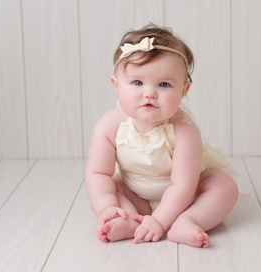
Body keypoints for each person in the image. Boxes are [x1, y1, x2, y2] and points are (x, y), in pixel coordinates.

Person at [85, 23, 242, 248]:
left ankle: (187, 221)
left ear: (183, 90)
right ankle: (125, 217)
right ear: (116, 85)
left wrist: (160, 220)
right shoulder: (108, 126)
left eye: (164, 84)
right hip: (135, 193)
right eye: (137, 82)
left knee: (224, 187)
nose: (150, 92)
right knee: (114, 184)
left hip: (185, 199)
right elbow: (98, 172)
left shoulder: (184, 133)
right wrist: (107, 206)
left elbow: (183, 186)